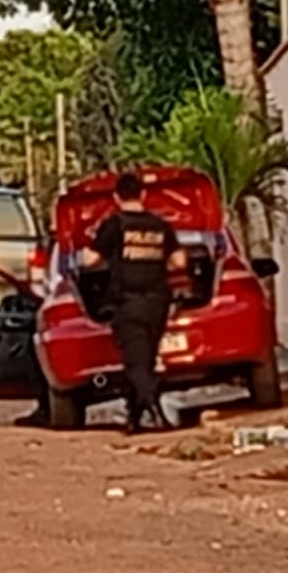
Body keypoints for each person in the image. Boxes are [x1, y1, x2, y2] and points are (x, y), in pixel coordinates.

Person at [82, 173, 185, 434]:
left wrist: (91, 247)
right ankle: (135, 421)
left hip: (128, 303)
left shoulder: (114, 225)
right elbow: (179, 262)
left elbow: (89, 261)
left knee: (135, 365)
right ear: (143, 195)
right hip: (158, 303)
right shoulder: (160, 225)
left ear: (116, 197)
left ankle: (156, 414)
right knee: (146, 361)